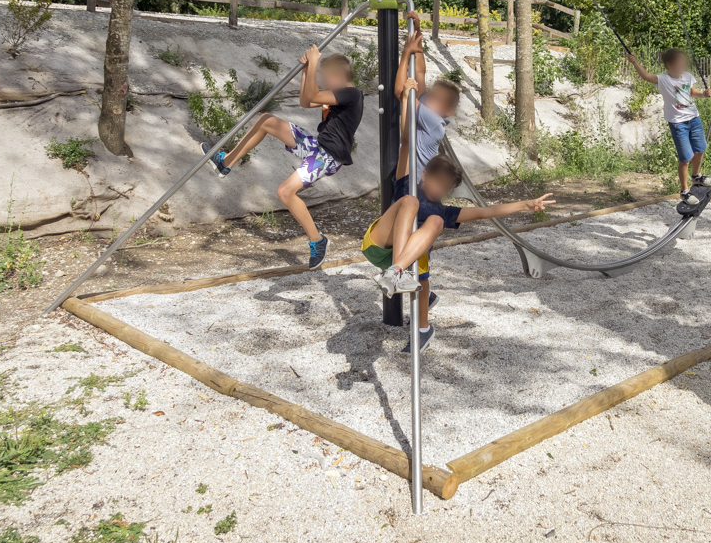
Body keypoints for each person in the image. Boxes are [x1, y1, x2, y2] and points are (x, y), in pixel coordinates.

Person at [362, 79, 554, 353]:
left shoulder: (442, 209)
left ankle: (404, 289)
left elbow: (485, 212)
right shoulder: (408, 179)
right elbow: (407, 140)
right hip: (379, 243)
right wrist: (406, 96)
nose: (436, 189)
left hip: (409, 253)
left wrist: (526, 205)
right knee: (409, 202)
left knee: (435, 224)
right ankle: (397, 270)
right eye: (434, 181)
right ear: (424, 173)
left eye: (443, 188)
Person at [202, 45, 363, 270]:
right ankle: (225, 162)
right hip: (316, 146)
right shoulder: (339, 95)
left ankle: (318, 240)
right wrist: (307, 70)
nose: (325, 83)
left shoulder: (351, 93)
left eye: (326, 78)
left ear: (339, 76)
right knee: (267, 120)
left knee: (285, 192)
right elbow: (307, 101)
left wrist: (314, 61)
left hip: (327, 156)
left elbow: (313, 95)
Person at [626, 48, 711, 205]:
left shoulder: (687, 76)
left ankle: (696, 176)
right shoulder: (663, 79)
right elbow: (645, 76)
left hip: (694, 119)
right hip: (678, 124)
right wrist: (635, 62)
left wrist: (703, 95)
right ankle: (685, 191)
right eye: (679, 62)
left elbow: (691, 92)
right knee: (686, 158)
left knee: (700, 149)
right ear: (669, 65)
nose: (683, 65)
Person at [393, 24, 461, 176]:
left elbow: (400, 92)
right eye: (432, 95)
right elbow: (419, 71)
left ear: (449, 111)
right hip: (407, 178)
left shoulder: (434, 122)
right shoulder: (426, 107)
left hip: (413, 184)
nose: (430, 99)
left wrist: (406, 53)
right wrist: (417, 33)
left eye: (438, 99)